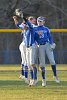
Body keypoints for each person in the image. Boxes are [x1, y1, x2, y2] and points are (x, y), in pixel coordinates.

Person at [34, 16, 60, 87]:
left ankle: (55, 76)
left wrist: (52, 43)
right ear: (37, 21)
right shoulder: (35, 29)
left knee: (52, 61)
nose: (39, 22)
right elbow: (33, 38)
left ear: (43, 22)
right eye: (38, 21)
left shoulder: (46, 29)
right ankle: (43, 80)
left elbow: (50, 37)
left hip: (47, 45)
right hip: (40, 46)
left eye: (41, 21)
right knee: (42, 64)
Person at [13, 15, 38, 86]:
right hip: (27, 48)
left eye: (25, 24)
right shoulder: (24, 28)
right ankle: (32, 80)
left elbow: (29, 24)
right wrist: (15, 19)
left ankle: (35, 79)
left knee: (32, 63)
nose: (23, 25)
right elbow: (18, 25)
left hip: (32, 47)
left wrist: (22, 16)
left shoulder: (31, 28)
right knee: (29, 65)